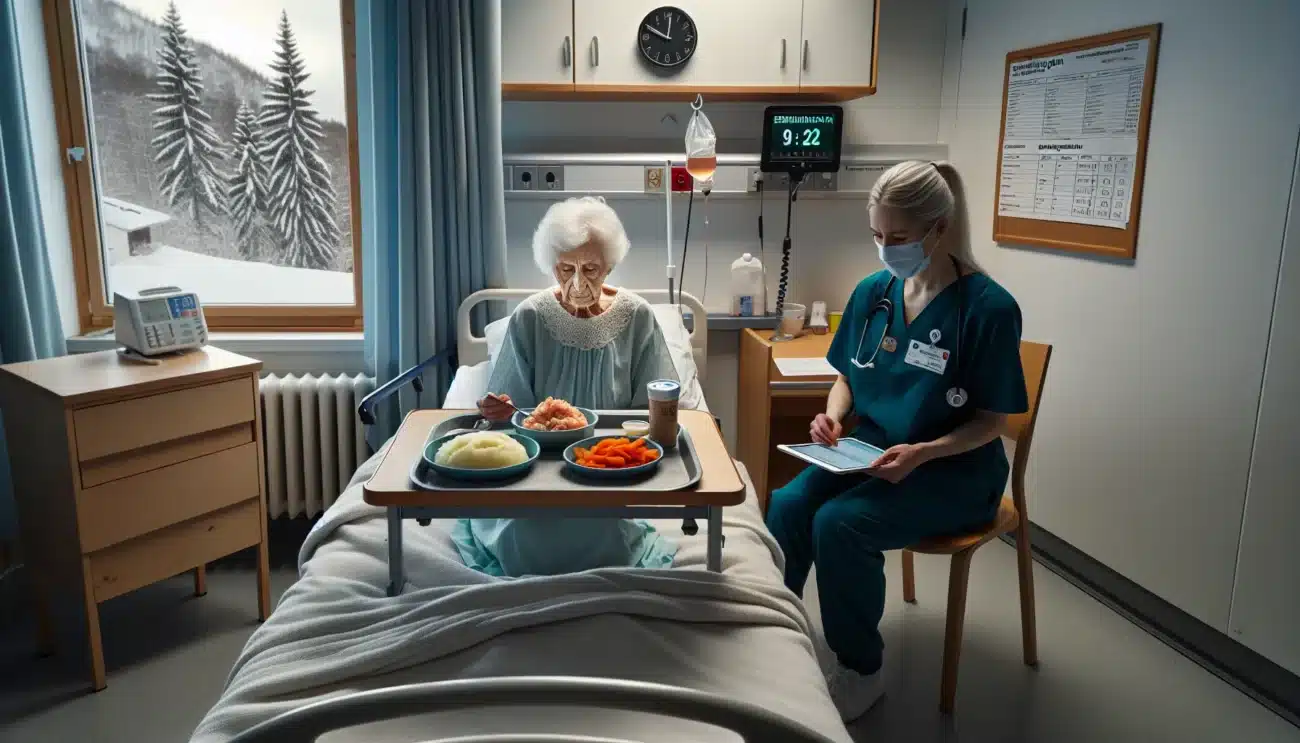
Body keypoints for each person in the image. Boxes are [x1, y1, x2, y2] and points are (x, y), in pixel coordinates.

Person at [765, 161, 1028, 721]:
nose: (886, 248)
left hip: (955, 471)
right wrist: (832, 418)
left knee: (838, 525)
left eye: (899, 237)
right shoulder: (873, 292)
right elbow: (846, 377)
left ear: (939, 227)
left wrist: (925, 454)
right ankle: (771, 636)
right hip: (870, 450)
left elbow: (992, 422)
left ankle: (862, 670)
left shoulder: (989, 310)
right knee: (786, 505)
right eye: (877, 235)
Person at [452, 196, 683, 578]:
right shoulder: (529, 316)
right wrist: (499, 410)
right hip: (540, 469)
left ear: (609, 265)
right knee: (524, 535)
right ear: (551, 265)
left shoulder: (637, 316)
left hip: (608, 468)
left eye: (590, 269)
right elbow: (512, 415)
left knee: (603, 532)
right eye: (565, 269)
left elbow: (657, 408)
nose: (577, 282)